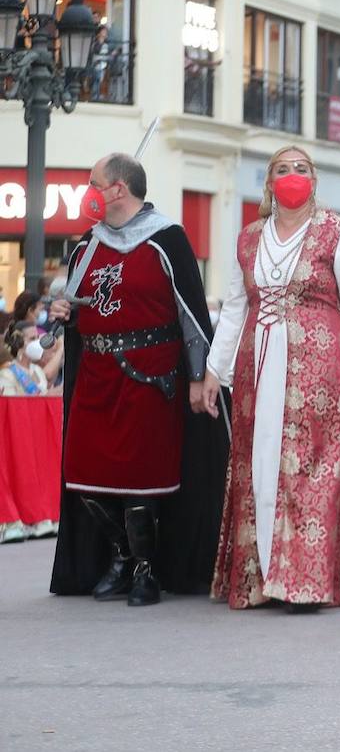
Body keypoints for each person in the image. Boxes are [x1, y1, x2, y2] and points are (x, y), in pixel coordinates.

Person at [200, 145, 340, 612]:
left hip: (320, 369)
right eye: (283, 169)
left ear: (315, 180)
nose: (293, 175)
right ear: (269, 182)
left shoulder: (335, 231)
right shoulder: (249, 238)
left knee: (313, 467)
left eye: (302, 169)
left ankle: (305, 581)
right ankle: (264, 575)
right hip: (257, 368)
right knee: (262, 463)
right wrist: (214, 369)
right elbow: (234, 308)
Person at [48, 153, 228, 607]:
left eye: (94, 182)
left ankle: (146, 571)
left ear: (118, 189)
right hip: (96, 376)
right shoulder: (87, 245)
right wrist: (65, 313)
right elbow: (79, 307)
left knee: (141, 479)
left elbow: (191, 316)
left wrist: (195, 376)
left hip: (151, 376)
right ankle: (124, 556)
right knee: (83, 474)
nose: (88, 190)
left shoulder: (166, 239)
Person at [1, 321, 52, 395]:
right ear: (19, 343)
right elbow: (10, 403)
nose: (37, 342)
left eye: (37, 338)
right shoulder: (7, 373)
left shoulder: (38, 370)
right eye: (32, 338)